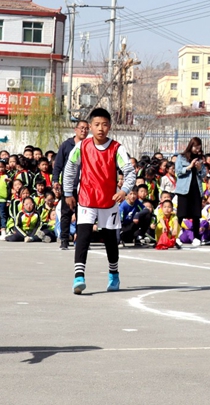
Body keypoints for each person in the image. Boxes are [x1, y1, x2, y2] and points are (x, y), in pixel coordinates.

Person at [63, 108, 136, 294]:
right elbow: (70, 168)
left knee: (111, 240)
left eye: (104, 124)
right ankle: (79, 277)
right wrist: (68, 193)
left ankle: (114, 274)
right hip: (87, 198)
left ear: (109, 126)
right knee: (84, 235)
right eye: (96, 125)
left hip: (109, 201)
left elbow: (129, 172)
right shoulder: (81, 147)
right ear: (90, 127)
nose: (100, 128)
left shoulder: (117, 148)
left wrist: (124, 190)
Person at [53, 120, 89, 249]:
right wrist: (56, 180)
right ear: (76, 129)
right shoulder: (66, 145)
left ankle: (80, 240)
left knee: (83, 215)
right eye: (81, 128)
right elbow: (58, 165)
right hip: (68, 186)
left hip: (84, 187)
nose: (84, 131)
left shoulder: (89, 145)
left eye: (86, 129)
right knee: (66, 214)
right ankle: (64, 239)